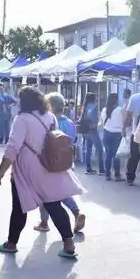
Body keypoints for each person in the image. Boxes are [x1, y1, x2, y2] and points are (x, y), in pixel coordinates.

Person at [0, 86, 82, 258]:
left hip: (28, 169)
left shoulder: (22, 119)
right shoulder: (50, 116)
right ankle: (69, 244)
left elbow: (12, 148)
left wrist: (0, 172)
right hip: (49, 165)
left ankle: (11, 243)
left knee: (19, 207)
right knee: (54, 205)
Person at [34, 93, 86, 233]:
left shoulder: (49, 122)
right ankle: (77, 213)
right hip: (66, 161)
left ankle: (44, 222)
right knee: (62, 191)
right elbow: (73, 141)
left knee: (45, 193)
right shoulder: (70, 123)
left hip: (51, 163)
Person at [101, 92, 125, 181]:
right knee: (116, 155)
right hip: (117, 134)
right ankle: (117, 175)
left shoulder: (104, 109)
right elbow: (124, 121)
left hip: (106, 133)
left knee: (108, 155)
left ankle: (107, 175)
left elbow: (102, 121)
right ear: (116, 100)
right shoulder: (120, 109)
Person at [80, 93, 104, 175]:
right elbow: (92, 116)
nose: (97, 98)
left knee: (88, 150)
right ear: (93, 98)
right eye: (96, 97)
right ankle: (101, 169)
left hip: (85, 130)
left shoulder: (84, 106)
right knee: (100, 149)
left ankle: (88, 168)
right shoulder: (94, 106)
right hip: (92, 130)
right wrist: (95, 122)